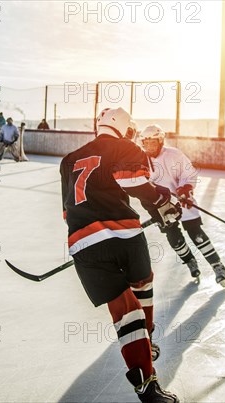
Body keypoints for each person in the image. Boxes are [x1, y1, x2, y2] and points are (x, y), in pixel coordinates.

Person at [60, 107, 180, 403]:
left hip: (82, 243)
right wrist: (161, 198)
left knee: (125, 312)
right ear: (125, 128)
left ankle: (146, 387)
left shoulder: (68, 160)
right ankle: (147, 339)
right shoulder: (126, 147)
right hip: (124, 235)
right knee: (143, 282)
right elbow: (133, 181)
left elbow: (66, 211)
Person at [139, 124, 225, 288]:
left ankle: (217, 266)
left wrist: (185, 189)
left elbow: (188, 173)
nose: (149, 147)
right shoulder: (142, 160)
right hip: (163, 207)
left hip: (182, 200)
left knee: (197, 235)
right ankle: (190, 262)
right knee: (174, 238)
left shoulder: (174, 154)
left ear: (160, 141)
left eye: (152, 143)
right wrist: (154, 208)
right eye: (145, 144)